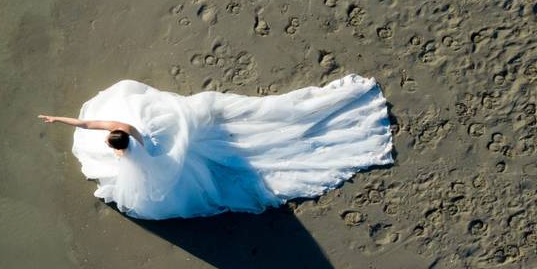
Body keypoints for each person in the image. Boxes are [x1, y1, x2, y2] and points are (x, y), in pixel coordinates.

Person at [39, 76, 393, 220]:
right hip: (156, 158)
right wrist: (58, 119)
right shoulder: (128, 131)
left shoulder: (124, 153)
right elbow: (104, 131)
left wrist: (58, 120)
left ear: (116, 145)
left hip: (153, 169)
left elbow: (86, 125)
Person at [38, 115, 143, 157]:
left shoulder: (124, 154)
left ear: (117, 148)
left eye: (109, 144)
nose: (105, 141)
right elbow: (85, 124)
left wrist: (118, 154)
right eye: (108, 138)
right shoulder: (117, 126)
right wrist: (56, 118)